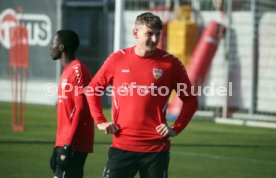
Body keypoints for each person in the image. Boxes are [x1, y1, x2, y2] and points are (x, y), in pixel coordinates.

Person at [86, 12, 198, 178]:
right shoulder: (117, 59)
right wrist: (100, 121)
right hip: (122, 146)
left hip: (156, 150)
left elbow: (190, 100)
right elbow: (93, 89)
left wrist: (176, 128)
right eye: (149, 34)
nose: (154, 39)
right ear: (135, 33)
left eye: (157, 34)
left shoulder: (170, 64)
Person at [49, 30, 94, 178]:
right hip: (66, 143)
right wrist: (58, 146)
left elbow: (80, 110)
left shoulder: (77, 69)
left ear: (61, 47)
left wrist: (67, 145)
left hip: (74, 144)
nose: (51, 47)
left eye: (53, 44)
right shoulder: (67, 71)